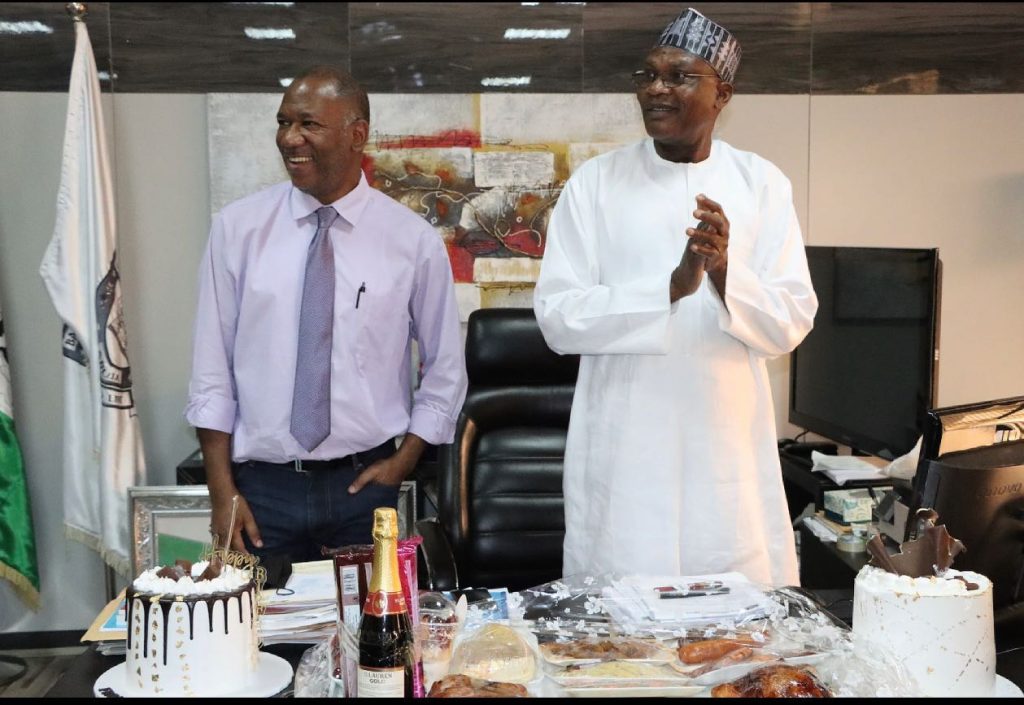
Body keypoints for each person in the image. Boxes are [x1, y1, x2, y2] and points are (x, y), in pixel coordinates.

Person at [533, 7, 818, 586]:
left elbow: (791, 320)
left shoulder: (761, 183)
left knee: (733, 641)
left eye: (679, 76)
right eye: (647, 76)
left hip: (726, 454)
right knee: (624, 639)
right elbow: (558, 317)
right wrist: (671, 286)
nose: (656, 89)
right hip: (625, 451)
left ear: (723, 94)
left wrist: (722, 273)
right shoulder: (595, 183)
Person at [186, 66, 467, 562]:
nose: (290, 139)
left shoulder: (411, 240)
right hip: (262, 492)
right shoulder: (237, 229)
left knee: (373, 637)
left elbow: (445, 365)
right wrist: (220, 490)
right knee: (260, 636)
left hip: (366, 490)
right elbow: (212, 372)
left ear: (357, 134)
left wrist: (404, 460)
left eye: (308, 124)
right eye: (283, 122)